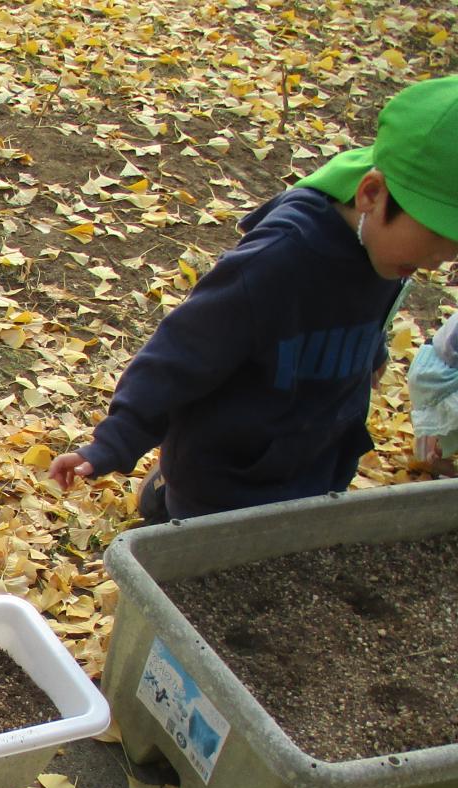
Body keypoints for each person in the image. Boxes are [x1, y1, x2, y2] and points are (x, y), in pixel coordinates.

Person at [48, 75, 458, 521]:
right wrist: (116, 439)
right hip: (229, 474)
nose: (440, 261)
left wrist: (369, 352)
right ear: (372, 194)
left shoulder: (388, 251)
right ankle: (168, 494)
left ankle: (168, 492)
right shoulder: (276, 263)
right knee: (208, 559)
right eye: (436, 239)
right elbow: (181, 352)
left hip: (317, 456)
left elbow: (363, 308)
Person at [410, 311, 458, 473]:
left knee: (439, 429)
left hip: (429, 370)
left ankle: (430, 455)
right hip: (441, 379)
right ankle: (433, 457)